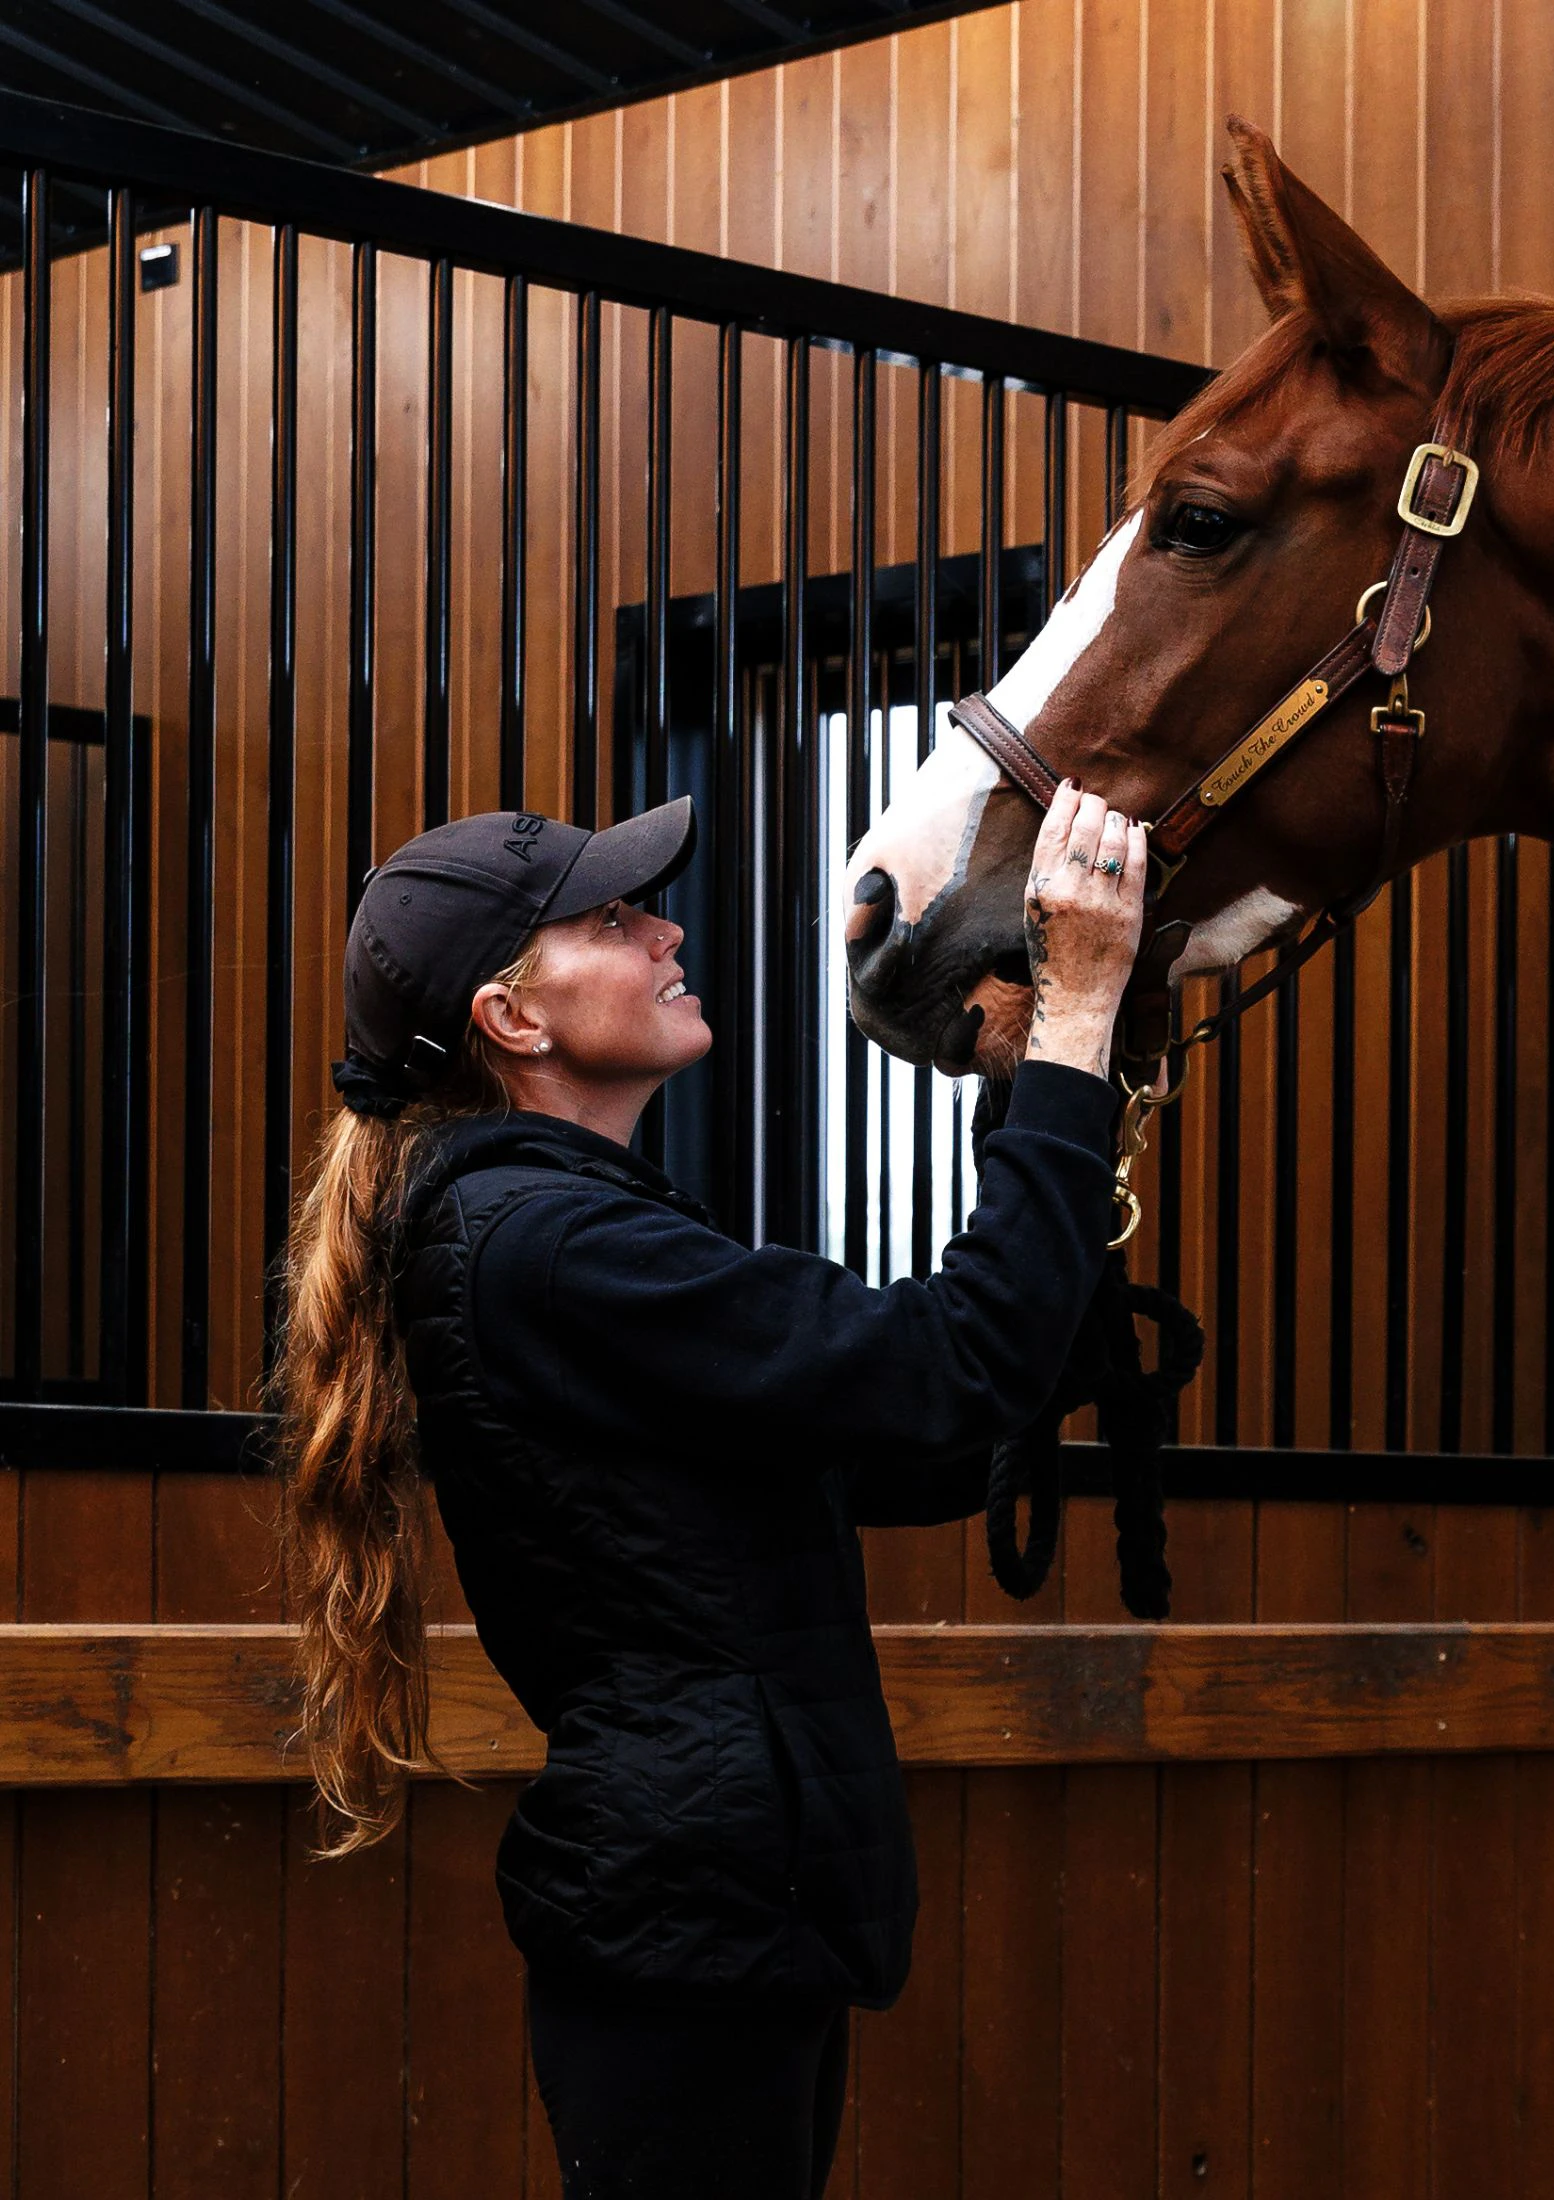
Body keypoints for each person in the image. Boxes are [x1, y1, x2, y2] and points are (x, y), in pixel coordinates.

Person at [273, 781, 1146, 2200]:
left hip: (718, 1909)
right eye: (615, 920)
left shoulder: (554, 1229)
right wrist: (1075, 1028)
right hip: (696, 1909)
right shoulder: (549, 1245)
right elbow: (943, 1368)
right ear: (514, 1019)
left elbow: (881, 1446)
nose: (669, 931)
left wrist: (1055, 1335)